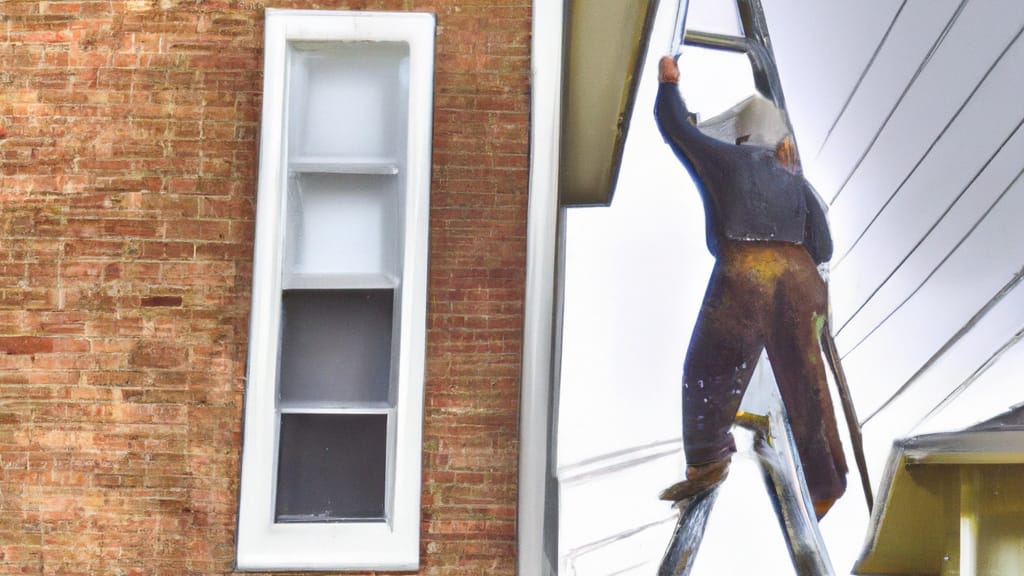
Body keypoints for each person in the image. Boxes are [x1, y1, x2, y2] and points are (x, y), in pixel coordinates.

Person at [654, 55, 846, 518]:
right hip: (802, 282)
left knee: (709, 367)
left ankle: (707, 462)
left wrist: (668, 85)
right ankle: (824, 485)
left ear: (742, 136)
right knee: (807, 383)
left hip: (747, 273)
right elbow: (823, 246)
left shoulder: (729, 159)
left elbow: (677, 129)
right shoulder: (794, 180)